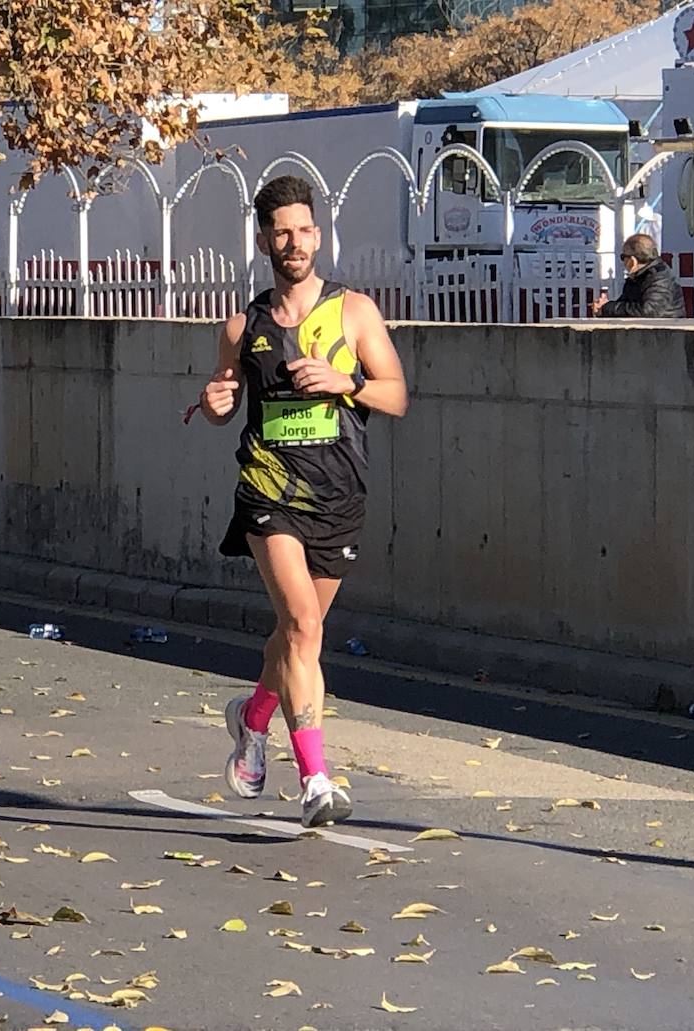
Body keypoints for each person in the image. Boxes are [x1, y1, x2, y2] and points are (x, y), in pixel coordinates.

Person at [196, 175, 407, 828]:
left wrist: (347, 381)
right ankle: (316, 776)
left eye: (304, 229)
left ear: (319, 233)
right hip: (268, 491)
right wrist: (213, 402)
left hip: (338, 495)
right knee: (305, 628)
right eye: (281, 231)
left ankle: (252, 716)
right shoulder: (244, 324)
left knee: (294, 634)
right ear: (264, 241)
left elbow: (396, 393)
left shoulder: (354, 312)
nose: (295, 241)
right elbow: (222, 399)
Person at [591, 232, 685, 318]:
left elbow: (648, 311)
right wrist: (604, 308)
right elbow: (627, 306)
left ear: (632, 260)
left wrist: (607, 308)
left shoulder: (659, 278)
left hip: (666, 334)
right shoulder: (639, 278)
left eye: (623, 257)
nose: (623, 261)